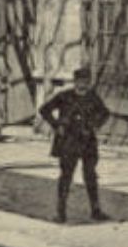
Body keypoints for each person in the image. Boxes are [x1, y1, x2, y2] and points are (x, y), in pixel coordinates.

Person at [39, 65, 112, 223]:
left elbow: (105, 113)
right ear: (75, 81)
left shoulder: (93, 97)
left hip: (88, 142)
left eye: (86, 81)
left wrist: (94, 124)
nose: (83, 84)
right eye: (80, 81)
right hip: (69, 142)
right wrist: (57, 124)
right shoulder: (65, 96)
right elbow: (44, 109)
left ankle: (95, 210)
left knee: (90, 176)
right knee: (66, 176)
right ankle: (61, 212)